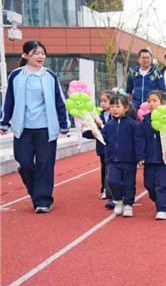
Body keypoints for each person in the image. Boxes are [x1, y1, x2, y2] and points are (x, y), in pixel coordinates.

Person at [0, 40, 70, 213]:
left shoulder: (50, 76)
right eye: (36, 53)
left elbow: (59, 100)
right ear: (25, 55)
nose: (40, 57)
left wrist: (64, 123)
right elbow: (9, 101)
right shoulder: (16, 76)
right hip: (23, 128)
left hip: (46, 127)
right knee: (25, 163)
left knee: (44, 164)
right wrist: (4, 122)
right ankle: (36, 192)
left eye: (42, 53)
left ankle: (43, 201)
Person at [135, 90, 166, 220]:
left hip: (163, 161)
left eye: (154, 101)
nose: (151, 104)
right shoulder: (145, 122)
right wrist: (140, 156)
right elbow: (139, 140)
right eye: (149, 101)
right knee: (149, 184)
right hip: (149, 160)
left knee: (161, 185)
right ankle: (158, 199)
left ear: (163, 103)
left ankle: (162, 208)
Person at [99, 94, 139, 218]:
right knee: (112, 181)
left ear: (126, 108)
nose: (114, 109)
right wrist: (92, 133)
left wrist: (140, 157)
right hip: (112, 160)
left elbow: (138, 141)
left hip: (129, 160)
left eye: (117, 106)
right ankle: (118, 200)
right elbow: (103, 138)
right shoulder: (109, 125)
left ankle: (128, 204)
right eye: (112, 107)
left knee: (128, 183)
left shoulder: (133, 125)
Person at [82, 90, 115, 208]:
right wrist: (89, 132)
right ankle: (104, 189)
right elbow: (89, 131)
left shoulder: (115, 115)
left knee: (110, 169)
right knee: (104, 168)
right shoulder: (98, 115)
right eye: (101, 101)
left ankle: (110, 191)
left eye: (105, 101)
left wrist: (101, 125)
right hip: (102, 148)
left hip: (112, 148)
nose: (102, 103)